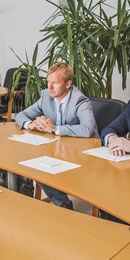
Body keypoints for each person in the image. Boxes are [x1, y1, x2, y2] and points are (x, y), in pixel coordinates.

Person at [15, 62, 99, 209]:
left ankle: (61, 202)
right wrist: (31, 124)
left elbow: (87, 129)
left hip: (82, 152)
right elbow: (21, 115)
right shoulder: (46, 96)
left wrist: (54, 128)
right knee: (31, 161)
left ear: (68, 84)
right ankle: (63, 203)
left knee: (40, 165)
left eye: (55, 83)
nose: (50, 87)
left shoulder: (79, 100)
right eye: (48, 82)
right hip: (58, 148)